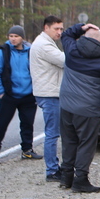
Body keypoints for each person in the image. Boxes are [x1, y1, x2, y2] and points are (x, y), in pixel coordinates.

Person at [59, 23, 100, 193]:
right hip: (88, 109)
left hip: (66, 105)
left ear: (84, 37)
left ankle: (66, 178)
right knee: (86, 144)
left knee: (69, 141)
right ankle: (81, 180)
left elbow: (65, 35)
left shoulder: (72, 50)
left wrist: (81, 26)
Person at [0, 25, 42, 160]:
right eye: (11, 36)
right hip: (9, 95)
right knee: (1, 123)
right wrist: (0, 92)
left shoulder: (31, 51)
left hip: (28, 95)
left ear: (22, 38)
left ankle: (27, 150)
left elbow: (39, 71)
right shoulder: (3, 52)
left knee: (27, 124)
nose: (13, 39)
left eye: (16, 36)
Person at [29, 15, 65, 181]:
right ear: (46, 28)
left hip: (48, 92)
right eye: (56, 29)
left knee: (54, 132)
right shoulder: (44, 45)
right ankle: (51, 171)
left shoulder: (46, 43)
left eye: (61, 29)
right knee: (52, 133)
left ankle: (55, 168)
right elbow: (65, 61)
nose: (59, 32)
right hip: (49, 94)